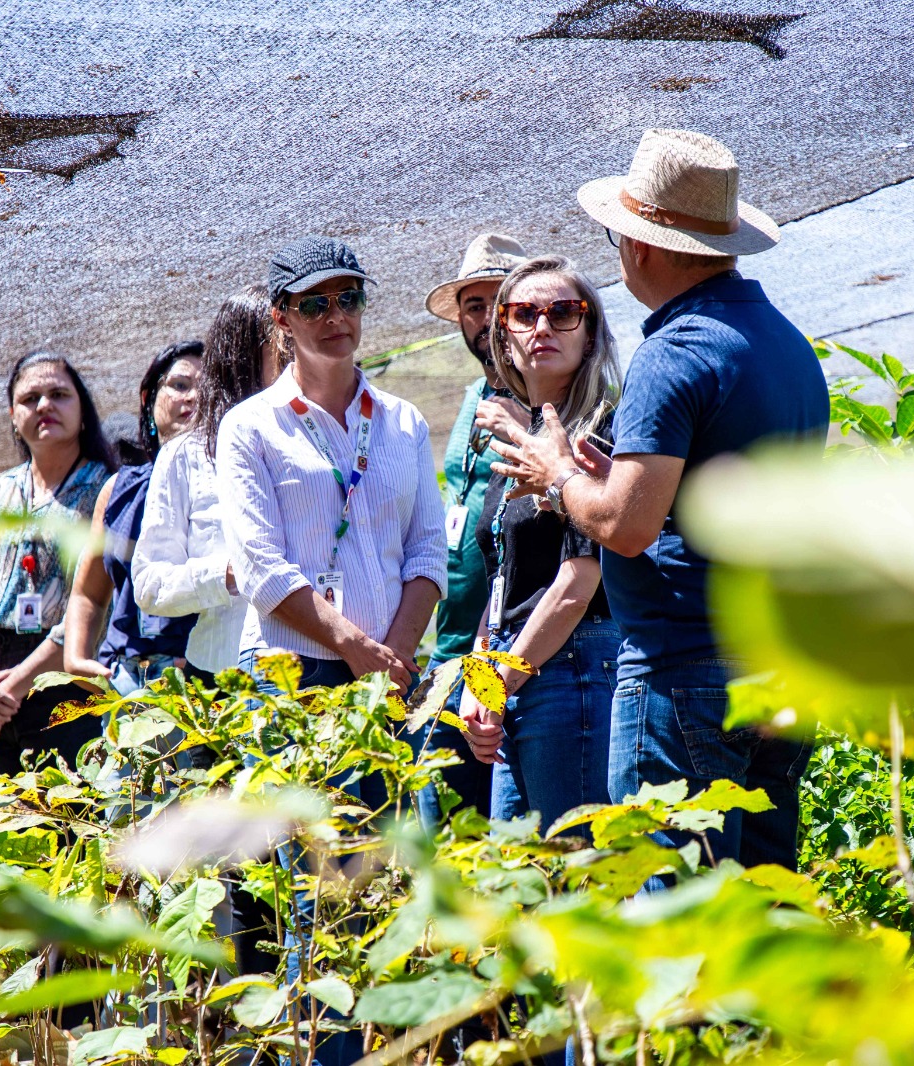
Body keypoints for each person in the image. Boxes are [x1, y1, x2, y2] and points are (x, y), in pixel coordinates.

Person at [487, 129, 829, 870]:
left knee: (675, 904)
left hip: (683, 672)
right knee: (761, 902)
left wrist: (559, 474)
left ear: (640, 246)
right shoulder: (787, 346)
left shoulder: (675, 350)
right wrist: (604, 478)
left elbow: (625, 527)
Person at [218, 236, 447, 697]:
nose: (336, 316)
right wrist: (356, 647)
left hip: (391, 667)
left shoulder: (405, 421)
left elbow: (427, 550)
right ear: (281, 318)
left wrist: (394, 654)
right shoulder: (249, 426)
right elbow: (259, 566)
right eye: (314, 305)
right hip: (289, 670)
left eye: (349, 299)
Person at [459, 257, 621, 832]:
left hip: (573, 667)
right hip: (519, 670)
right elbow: (502, 579)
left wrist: (497, 685)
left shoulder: (600, 433)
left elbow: (579, 583)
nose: (542, 327)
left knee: (571, 867)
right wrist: (479, 682)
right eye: (524, 314)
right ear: (503, 335)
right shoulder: (523, 441)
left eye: (563, 312)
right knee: (519, 871)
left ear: (590, 332)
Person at [0, 350, 115, 775]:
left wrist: (14, 687)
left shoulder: (107, 491)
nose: (44, 405)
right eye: (30, 398)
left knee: (68, 811)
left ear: (84, 412)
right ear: (13, 417)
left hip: (65, 688)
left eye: (59, 394)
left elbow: (95, 609)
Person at [415, 233, 532, 826]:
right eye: (473, 305)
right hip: (449, 656)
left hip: (508, 663)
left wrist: (488, 679)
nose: (486, 320)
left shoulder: (547, 402)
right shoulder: (470, 398)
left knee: (511, 847)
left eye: (500, 303)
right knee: (442, 846)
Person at [133, 287, 281, 677]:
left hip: (317, 669)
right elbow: (149, 583)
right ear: (242, 356)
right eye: (282, 344)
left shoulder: (320, 435)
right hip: (223, 672)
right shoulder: (185, 455)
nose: (295, 357)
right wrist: (228, 574)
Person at [63, 341, 202, 696]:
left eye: (207, 388)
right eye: (180, 385)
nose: (193, 397)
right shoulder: (118, 489)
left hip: (202, 682)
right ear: (148, 398)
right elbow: (88, 593)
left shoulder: (230, 485)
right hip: (124, 677)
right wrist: (76, 657)